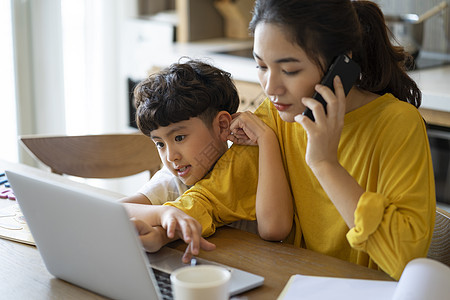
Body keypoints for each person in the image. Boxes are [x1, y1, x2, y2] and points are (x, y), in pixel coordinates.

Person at [133, 0, 435, 280]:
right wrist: (164, 231)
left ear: (340, 65)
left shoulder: (397, 124)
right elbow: (211, 199)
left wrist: (325, 164)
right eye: (262, 66)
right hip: (294, 283)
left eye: (289, 70)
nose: (271, 87)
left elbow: (404, 259)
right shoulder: (275, 117)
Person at [121, 58, 287, 253]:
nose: (171, 156)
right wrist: (163, 213)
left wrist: (266, 139)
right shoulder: (171, 183)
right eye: (160, 144)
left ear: (222, 125)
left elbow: (275, 230)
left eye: (180, 137)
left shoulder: (254, 166)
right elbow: (114, 211)